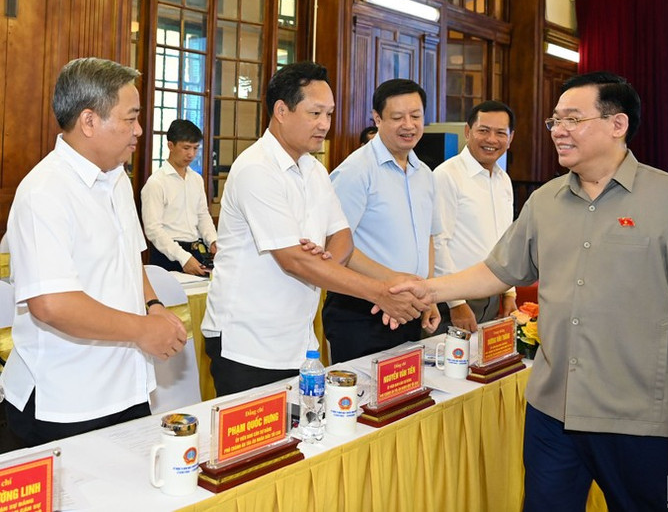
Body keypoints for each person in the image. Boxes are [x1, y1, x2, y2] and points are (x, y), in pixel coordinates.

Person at [390, 72, 668, 511]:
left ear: (617, 125)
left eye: (572, 119)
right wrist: (426, 288)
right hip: (552, 411)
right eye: (554, 121)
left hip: (638, 416)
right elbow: (496, 271)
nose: (558, 130)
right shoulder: (545, 201)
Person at [200, 62, 426, 396]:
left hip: (297, 339)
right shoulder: (256, 169)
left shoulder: (313, 169)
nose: (324, 125)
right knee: (256, 446)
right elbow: (294, 260)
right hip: (247, 342)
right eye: (315, 113)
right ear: (281, 111)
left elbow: (342, 237)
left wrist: (323, 264)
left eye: (329, 114)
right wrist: (376, 291)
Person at [1, 58, 187, 447]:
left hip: (126, 385)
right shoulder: (44, 192)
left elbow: (130, 260)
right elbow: (51, 304)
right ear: (89, 122)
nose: (139, 131)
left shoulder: (117, 177)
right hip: (65, 399)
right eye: (130, 118)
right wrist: (142, 330)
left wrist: (152, 307)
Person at [322, 78, 441, 364]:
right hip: (361, 311)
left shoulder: (425, 173)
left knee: (407, 401)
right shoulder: (356, 171)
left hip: (410, 307)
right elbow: (333, 244)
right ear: (377, 119)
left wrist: (430, 294)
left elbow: (427, 237)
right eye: (397, 117)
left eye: (416, 116)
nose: (408, 125)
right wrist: (391, 282)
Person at [433, 100, 518, 334]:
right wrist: (457, 303)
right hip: (455, 299)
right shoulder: (446, 176)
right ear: (468, 132)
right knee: (447, 368)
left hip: (492, 295)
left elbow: (506, 240)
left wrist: (509, 291)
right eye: (483, 130)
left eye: (501, 133)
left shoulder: (503, 180)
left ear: (510, 138)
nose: (492, 140)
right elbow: (437, 243)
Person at [141, 119, 217, 276]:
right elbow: (153, 230)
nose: (191, 154)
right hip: (167, 256)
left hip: (195, 252)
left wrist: (213, 241)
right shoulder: (156, 182)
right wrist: (182, 257)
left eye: (196, 148)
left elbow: (203, 215)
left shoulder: (196, 179)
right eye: (186, 148)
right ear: (170, 145)